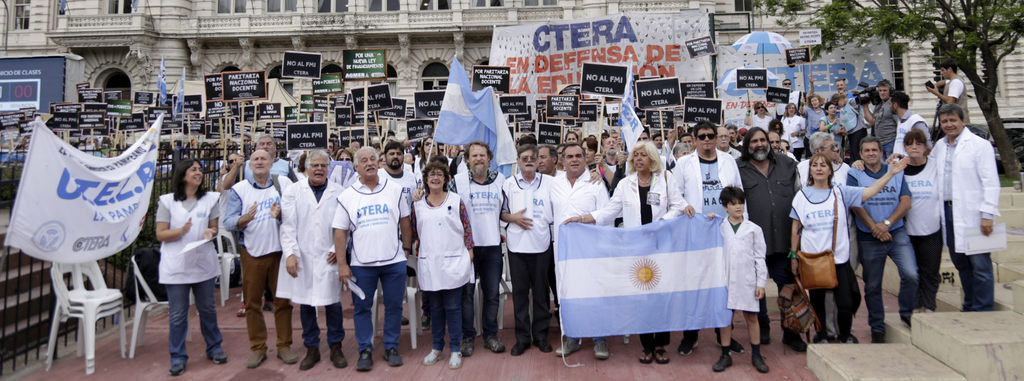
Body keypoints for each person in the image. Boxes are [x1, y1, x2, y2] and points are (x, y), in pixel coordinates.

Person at [571, 141, 685, 364]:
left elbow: (679, 206)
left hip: (661, 247)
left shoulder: (666, 179)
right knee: (641, 296)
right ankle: (647, 345)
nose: (638, 159)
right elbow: (610, 211)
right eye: (635, 155)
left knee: (661, 296)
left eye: (643, 155)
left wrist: (662, 222)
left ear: (652, 159)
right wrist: (583, 219)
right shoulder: (625, 183)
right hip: (637, 249)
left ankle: (661, 343)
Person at [790, 153, 910, 344]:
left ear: (830, 170)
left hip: (838, 258)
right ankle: (822, 334)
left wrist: (892, 174)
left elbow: (870, 191)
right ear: (810, 170)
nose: (819, 168)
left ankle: (845, 334)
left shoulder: (841, 191)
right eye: (815, 165)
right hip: (813, 259)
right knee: (818, 301)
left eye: (823, 165)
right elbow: (796, 227)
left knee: (845, 302)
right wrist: (794, 256)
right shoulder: (801, 196)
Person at [333, 147, 413, 371]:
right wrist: (342, 264)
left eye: (372, 159)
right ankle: (365, 350)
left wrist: (405, 250)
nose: (369, 163)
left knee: (395, 306)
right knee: (362, 308)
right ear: (356, 167)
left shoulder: (395, 190)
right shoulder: (347, 196)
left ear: (379, 163)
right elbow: (340, 232)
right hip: (362, 264)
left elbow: (405, 221)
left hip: (393, 261)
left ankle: (391, 347)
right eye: (363, 160)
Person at [735, 128, 807, 352]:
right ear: (747, 145)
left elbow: (802, 197)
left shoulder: (788, 164)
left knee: (788, 288)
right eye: (754, 141)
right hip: (753, 242)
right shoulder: (737, 168)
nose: (759, 144)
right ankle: (763, 326)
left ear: (769, 142)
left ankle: (791, 332)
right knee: (757, 288)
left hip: (783, 240)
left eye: (762, 140)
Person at [276, 150, 348, 371]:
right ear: (306, 168)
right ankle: (312, 348)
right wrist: (289, 254)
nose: (319, 169)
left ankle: (336, 346)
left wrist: (338, 248)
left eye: (323, 165)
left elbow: (345, 225)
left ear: (328, 168)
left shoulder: (340, 192)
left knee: (333, 303)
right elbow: (288, 225)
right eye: (314, 165)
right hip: (303, 256)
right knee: (306, 303)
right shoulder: (293, 192)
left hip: (329, 256)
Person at [224, 149, 296, 369]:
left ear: (272, 162)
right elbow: (228, 222)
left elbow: (296, 213)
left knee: (283, 303)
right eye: (255, 159)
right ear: (249, 164)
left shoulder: (283, 183)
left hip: (279, 252)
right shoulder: (240, 189)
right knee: (253, 304)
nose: (259, 162)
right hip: (252, 253)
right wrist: (245, 218)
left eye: (264, 158)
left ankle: (284, 346)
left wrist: (281, 214)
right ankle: (258, 348)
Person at [155, 159, 226, 377]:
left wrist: (210, 233)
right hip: (176, 266)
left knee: (207, 310)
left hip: (203, 263)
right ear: (182, 174)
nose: (198, 172)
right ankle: (177, 356)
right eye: (193, 169)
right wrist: (181, 231)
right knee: (177, 314)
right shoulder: (167, 202)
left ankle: (214, 347)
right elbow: (161, 234)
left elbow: (213, 227)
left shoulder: (210, 199)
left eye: (200, 169)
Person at [847, 136, 918, 343]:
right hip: (868, 236)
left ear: (881, 153)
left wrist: (885, 224)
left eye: (874, 150)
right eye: (866, 150)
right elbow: (855, 204)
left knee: (911, 274)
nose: (871, 153)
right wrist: (874, 227)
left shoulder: (895, 172)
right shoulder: (855, 174)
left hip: (895, 232)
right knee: (872, 285)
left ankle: (906, 312)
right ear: (860, 154)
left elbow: (906, 202)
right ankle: (877, 326)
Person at [932, 103, 998, 311]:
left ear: (963, 121)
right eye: (945, 121)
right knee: (960, 261)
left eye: (953, 120)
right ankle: (970, 304)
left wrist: (987, 214)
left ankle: (983, 307)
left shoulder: (979, 145)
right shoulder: (940, 146)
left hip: (974, 214)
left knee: (980, 264)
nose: (949, 124)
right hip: (948, 213)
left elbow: (991, 182)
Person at [551, 143, 612, 359]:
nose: (574, 160)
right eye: (569, 156)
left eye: (578, 156)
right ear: (562, 160)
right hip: (563, 251)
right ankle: (572, 338)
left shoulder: (596, 183)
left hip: (591, 249)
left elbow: (607, 215)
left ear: (586, 159)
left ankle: (600, 340)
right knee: (568, 294)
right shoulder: (554, 183)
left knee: (594, 293)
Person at [411, 161, 474, 370]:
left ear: (446, 178)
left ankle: (455, 348)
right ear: (426, 180)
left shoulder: (456, 200)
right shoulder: (418, 203)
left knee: (453, 307)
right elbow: (413, 231)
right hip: (430, 263)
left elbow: (466, 228)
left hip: (454, 261)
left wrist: (469, 252)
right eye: (431, 175)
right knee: (436, 308)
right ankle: (437, 348)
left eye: (439, 174)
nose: (435, 178)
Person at [448, 141, 507, 355]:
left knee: (491, 294)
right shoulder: (457, 181)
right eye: (474, 156)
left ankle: (491, 335)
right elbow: (445, 208)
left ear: (489, 158)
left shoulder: (501, 180)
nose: (479, 159)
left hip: (492, 246)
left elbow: (506, 210)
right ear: (467, 159)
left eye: (482, 155)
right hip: (467, 248)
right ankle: (468, 337)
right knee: (466, 295)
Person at [500, 145, 554, 356]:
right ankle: (522, 338)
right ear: (518, 161)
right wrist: (513, 218)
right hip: (517, 247)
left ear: (538, 161)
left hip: (541, 245)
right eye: (525, 158)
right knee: (520, 294)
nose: (529, 160)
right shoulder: (508, 184)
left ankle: (540, 335)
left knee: (541, 294)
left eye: (533, 157)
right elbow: (502, 213)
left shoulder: (549, 182)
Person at [713, 186, 769, 374]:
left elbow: (760, 258)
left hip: (747, 281)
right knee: (726, 319)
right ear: (725, 207)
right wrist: (709, 219)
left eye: (740, 203)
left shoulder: (754, 229)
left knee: (752, 317)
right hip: (726, 279)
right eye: (733, 204)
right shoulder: (719, 227)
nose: (738, 207)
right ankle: (725, 354)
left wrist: (761, 283)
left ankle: (756, 354)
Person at [900, 129, 943, 313]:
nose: (914, 147)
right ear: (905, 147)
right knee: (912, 274)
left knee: (931, 273)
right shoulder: (899, 168)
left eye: (919, 143)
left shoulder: (936, 166)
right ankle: (916, 308)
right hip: (907, 231)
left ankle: (929, 307)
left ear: (926, 147)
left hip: (932, 229)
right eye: (910, 144)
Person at [927, 58, 971, 124]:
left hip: (957, 121)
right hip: (954, 120)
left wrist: (937, 93)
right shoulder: (952, 81)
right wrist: (935, 85)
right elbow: (944, 82)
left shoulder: (956, 82)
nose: (941, 73)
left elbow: (950, 101)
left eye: (943, 70)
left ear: (950, 69)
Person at [863, 80, 899, 158]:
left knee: (892, 168)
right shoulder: (879, 105)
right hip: (880, 144)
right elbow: (872, 121)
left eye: (885, 90)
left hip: (891, 142)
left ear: (890, 91)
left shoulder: (892, 104)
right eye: (880, 91)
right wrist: (865, 106)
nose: (882, 93)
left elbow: (899, 123)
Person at [889, 91, 932, 157]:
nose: (889, 107)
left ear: (895, 105)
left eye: (890, 104)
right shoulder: (900, 121)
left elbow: (928, 148)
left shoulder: (916, 121)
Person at [841, 90, 868, 163]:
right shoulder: (843, 107)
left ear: (841, 100)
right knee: (853, 151)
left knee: (857, 151)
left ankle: (861, 168)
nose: (838, 106)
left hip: (858, 129)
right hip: (851, 131)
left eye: (837, 104)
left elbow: (860, 102)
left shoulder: (851, 102)